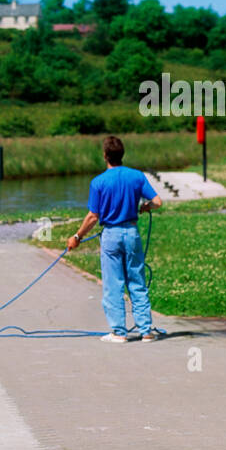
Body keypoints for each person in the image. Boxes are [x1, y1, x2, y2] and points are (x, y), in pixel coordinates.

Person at [66, 135, 163, 343]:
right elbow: (157, 201)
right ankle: (146, 330)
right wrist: (146, 207)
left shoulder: (98, 182)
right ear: (122, 154)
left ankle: (119, 332)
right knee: (137, 281)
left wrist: (77, 237)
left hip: (110, 235)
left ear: (105, 156)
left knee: (113, 284)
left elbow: (93, 216)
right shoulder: (137, 176)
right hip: (131, 232)